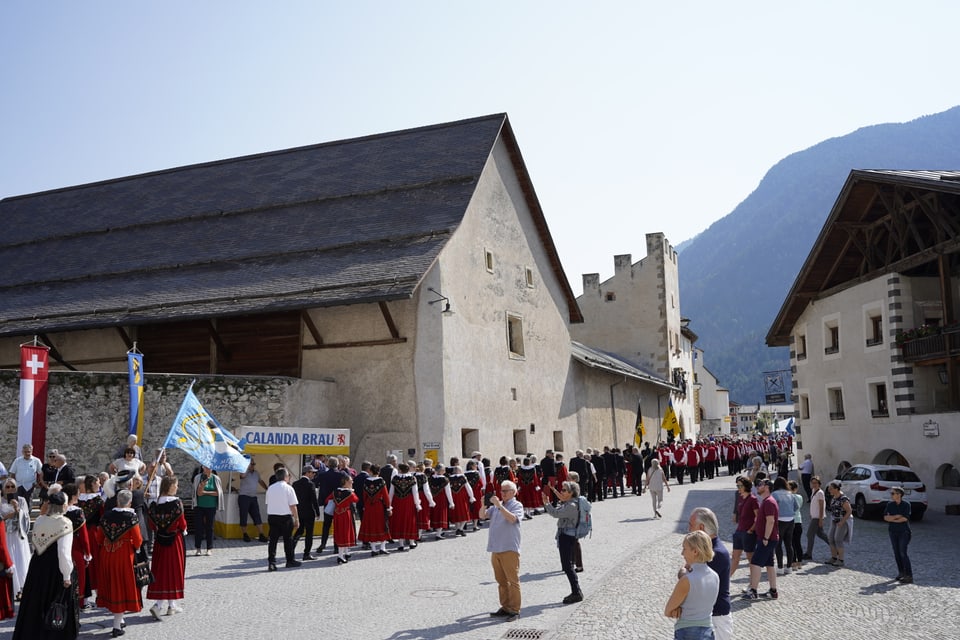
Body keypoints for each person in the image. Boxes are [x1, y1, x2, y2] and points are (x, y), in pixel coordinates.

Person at [12, 484, 78, 640]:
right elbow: (63, 552)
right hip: (55, 568)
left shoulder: (41, 519)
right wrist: (67, 575)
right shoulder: (65, 523)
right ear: (63, 505)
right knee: (55, 604)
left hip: (38, 564)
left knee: (36, 601)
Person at [95, 488, 142, 638]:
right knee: (121, 588)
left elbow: (99, 538)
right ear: (129, 503)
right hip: (123, 555)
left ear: (117, 501)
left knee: (112, 586)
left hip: (107, 554)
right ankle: (116, 625)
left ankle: (120, 620)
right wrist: (136, 548)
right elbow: (138, 539)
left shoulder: (106, 516)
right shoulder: (131, 517)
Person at [664, 530, 720, 640]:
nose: (682, 553)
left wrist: (677, 609)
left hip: (687, 632)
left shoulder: (687, 580)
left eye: (684, 548)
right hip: (708, 631)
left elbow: (668, 611)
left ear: (695, 551)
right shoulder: (715, 576)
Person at [146, 475, 188, 618]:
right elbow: (182, 524)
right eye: (176, 485)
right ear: (170, 486)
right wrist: (183, 529)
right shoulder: (177, 503)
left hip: (159, 541)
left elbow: (152, 525)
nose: (177, 488)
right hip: (174, 541)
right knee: (174, 571)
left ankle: (171, 605)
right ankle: (164, 605)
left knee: (161, 571)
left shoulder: (155, 504)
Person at [688, 508, 731, 640]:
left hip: (717, 617)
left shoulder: (715, 553)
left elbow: (693, 581)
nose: (689, 529)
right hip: (708, 614)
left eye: (691, 525)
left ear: (701, 527)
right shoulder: (708, 550)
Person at [484, 480, 523, 622]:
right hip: (496, 548)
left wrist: (499, 506)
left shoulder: (517, 505)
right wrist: (483, 503)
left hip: (509, 547)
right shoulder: (496, 507)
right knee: (501, 580)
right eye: (501, 491)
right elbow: (483, 516)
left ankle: (515, 609)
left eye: (506, 491)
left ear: (513, 492)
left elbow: (513, 519)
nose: (503, 493)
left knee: (513, 580)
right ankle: (505, 606)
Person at [542, 481, 584, 605]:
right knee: (568, 565)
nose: (562, 491)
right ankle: (576, 591)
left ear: (571, 493)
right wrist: (553, 492)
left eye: (564, 490)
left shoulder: (571, 506)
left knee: (567, 566)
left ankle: (576, 592)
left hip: (567, 537)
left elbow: (555, 513)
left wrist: (546, 503)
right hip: (567, 535)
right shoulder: (571, 502)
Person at [742, 478, 779, 600]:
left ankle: (753, 591)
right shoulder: (767, 501)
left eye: (761, 485)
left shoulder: (769, 502)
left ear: (767, 487)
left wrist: (765, 537)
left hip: (766, 539)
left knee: (755, 563)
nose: (758, 486)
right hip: (768, 538)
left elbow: (771, 521)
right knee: (769, 564)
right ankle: (773, 591)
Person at [1, 478, 31, 601]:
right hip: (6, 535)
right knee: (10, 559)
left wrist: (19, 510)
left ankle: (22, 588)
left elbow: (26, 517)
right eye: (7, 487)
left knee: (21, 561)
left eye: (12, 486)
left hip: (18, 535)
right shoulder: (1, 501)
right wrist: (6, 516)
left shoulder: (21, 500)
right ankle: (12, 588)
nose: (10, 489)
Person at [264, 467, 301, 571]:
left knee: (273, 541)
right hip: (285, 516)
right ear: (286, 477)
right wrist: (297, 519)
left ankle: (271, 562)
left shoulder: (270, 488)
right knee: (288, 540)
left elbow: (268, 502)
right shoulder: (289, 488)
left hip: (272, 516)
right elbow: (293, 505)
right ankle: (290, 560)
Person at [358, 468, 392, 556]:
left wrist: (365, 505)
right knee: (382, 525)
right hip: (379, 506)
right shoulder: (381, 481)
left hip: (369, 506)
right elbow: (385, 495)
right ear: (378, 472)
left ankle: (373, 549)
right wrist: (388, 507)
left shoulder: (366, 481)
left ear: (371, 471)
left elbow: (364, 495)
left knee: (371, 526)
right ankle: (382, 548)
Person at [191, 465, 223, 556]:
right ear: (202, 468)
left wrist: (205, 492)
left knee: (210, 527)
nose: (207, 469)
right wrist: (204, 485)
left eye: (209, 467)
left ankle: (209, 548)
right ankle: (198, 548)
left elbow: (218, 493)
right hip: (199, 506)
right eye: (205, 467)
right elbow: (198, 493)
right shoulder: (198, 477)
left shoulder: (216, 478)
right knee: (198, 527)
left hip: (211, 506)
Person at [389, 462, 422, 551]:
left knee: (399, 521)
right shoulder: (412, 478)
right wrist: (417, 504)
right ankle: (411, 542)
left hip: (397, 501)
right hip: (409, 501)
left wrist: (389, 504)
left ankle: (401, 544)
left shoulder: (395, 478)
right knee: (410, 520)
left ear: (400, 470)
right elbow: (415, 493)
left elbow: (391, 492)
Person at [730, 477, 758, 579]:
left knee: (750, 559)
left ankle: (752, 583)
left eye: (740, 486)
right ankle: (725, 581)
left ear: (746, 486)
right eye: (737, 486)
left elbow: (758, 517)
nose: (738, 488)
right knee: (735, 557)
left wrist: (751, 530)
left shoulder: (753, 499)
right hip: (739, 531)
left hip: (748, 532)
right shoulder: (741, 497)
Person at [884, 486, 913, 583]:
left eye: (893, 493)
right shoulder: (890, 505)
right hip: (893, 531)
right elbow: (885, 518)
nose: (891, 495)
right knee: (896, 553)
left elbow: (905, 518)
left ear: (899, 494)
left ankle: (908, 575)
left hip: (904, 532)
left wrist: (892, 519)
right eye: (891, 493)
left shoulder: (906, 505)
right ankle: (901, 572)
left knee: (902, 552)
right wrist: (896, 517)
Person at [328, 475, 359, 564]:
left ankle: (346, 553)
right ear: (345, 482)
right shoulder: (349, 493)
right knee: (345, 534)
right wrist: (352, 491)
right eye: (350, 481)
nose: (352, 482)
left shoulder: (335, 491)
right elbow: (356, 499)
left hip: (337, 514)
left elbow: (327, 500)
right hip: (345, 514)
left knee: (340, 533)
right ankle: (340, 556)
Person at [292, 465, 320, 561]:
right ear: (307, 472)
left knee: (299, 531)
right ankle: (306, 553)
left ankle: (290, 550)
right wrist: (317, 511)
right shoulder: (310, 484)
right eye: (312, 472)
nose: (313, 474)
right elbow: (314, 500)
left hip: (299, 511)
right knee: (309, 533)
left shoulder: (295, 484)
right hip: (308, 512)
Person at [771, 477, 796, 574]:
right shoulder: (790, 494)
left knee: (778, 544)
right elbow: (796, 507)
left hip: (779, 520)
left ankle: (780, 567)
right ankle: (789, 567)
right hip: (790, 520)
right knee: (789, 544)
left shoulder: (774, 494)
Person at [826, 480, 852, 567]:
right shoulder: (833, 497)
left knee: (838, 539)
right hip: (834, 520)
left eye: (831, 489)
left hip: (842, 521)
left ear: (837, 489)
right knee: (830, 538)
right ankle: (833, 557)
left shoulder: (843, 499)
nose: (829, 490)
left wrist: (842, 521)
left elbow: (849, 511)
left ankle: (841, 559)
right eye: (829, 488)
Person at [803, 476, 829, 560]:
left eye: (815, 483)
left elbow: (821, 507)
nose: (814, 484)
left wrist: (821, 519)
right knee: (821, 534)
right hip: (814, 516)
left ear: (819, 484)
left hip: (817, 517)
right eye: (812, 483)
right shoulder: (813, 491)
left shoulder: (820, 493)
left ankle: (808, 553)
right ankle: (833, 546)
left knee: (810, 534)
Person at [788, 480, 804, 571]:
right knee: (798, 542)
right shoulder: (800, 497)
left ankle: (793, 562)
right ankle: (800, 562)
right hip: (798, 520)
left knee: (791, 543)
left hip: (790, 521)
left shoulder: (788, 497)